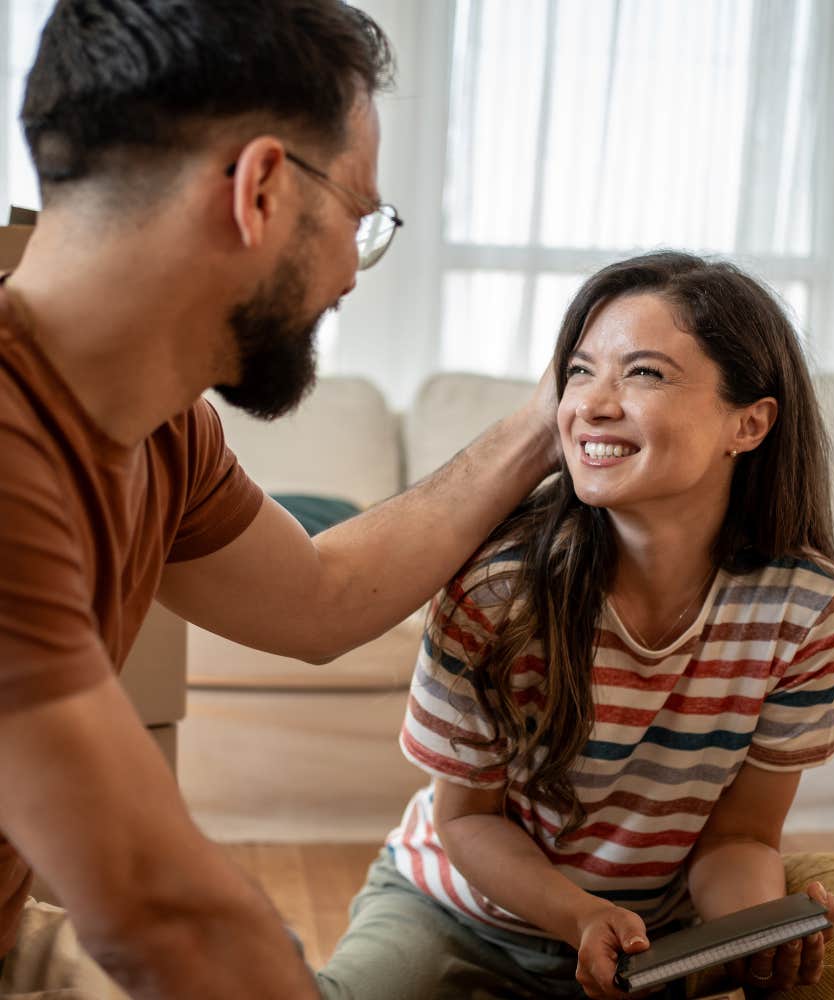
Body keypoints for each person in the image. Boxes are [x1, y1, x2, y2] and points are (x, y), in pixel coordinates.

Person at [0, 2, 560, 997]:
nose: (352, 270)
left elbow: (318, 596)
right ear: (259, 189)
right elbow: (156, 906)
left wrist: (541, 423)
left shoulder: (160, 426)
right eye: (358, 219)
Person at [317, 251, 834, 1000]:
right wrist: (578, 915)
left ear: (751, 422)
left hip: (649, 940)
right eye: (578, 371)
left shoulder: (807, 607)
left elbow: (741, 836)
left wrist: (759, 927)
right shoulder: (499, 590)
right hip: (457, 912)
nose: (592, 405)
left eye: (644, 373)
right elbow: (467, 822)